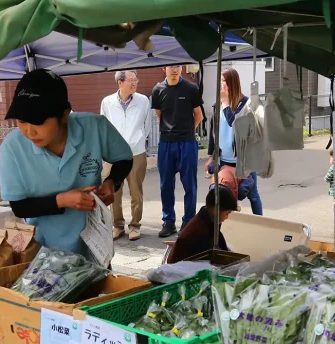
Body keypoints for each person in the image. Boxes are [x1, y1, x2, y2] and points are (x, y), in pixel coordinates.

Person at [0, 69, 133, 257]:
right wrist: (62, 200)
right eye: (21, 121)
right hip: (42, 251)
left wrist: (112, 182)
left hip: (94, 246)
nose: (29, 131)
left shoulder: (94, 127)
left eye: (38, 121)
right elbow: (19, 206)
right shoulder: (12, 147)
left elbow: (124, 159)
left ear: (64, 115)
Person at [152, 65, 203, 237]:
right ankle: (168, 222)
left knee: (190, 184)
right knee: (166, 184)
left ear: (181, 69)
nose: (175, 69)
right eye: (171, 66)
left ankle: (188, 221)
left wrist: (188, 131)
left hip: (187, 143)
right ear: (163, 68)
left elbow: (199, 115)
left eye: (178, 66)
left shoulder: (191, 88)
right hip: (166, 143)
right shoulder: (158, 90)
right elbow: (160, 115)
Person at [100, 71, 151, 241]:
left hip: (136, 153)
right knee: (114, 191)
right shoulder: (107, 102)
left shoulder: (143, 100)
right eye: (130, 80)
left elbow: (148, 125)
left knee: (136, 191)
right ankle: (117, 225)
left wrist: (138, 141)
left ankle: (135, 225)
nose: (134, 83)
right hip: (113, 154)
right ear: (119, 83)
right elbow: (103, 126)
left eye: (136, 79)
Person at [169, 185, 237, 263]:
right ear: (215, 211)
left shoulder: (208, 217)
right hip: (182, 268)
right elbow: (205, 263)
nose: (227, 217)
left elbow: (220, 243)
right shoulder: (201, 232)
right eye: (227, 214)